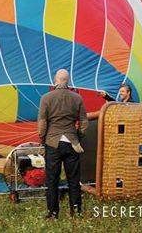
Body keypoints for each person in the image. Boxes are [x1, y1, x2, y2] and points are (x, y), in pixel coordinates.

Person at [38, 69, 88, 219]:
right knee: (73, 178)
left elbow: (42, 123)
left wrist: (43, 138)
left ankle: (53, 212)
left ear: (55, 80)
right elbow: (84, 122)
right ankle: (76, 211)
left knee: (52, 179)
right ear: (68, 81)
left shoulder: (46, 98)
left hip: (53, 143)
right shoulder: (77, 98)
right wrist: (77, 137)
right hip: (72, 143)